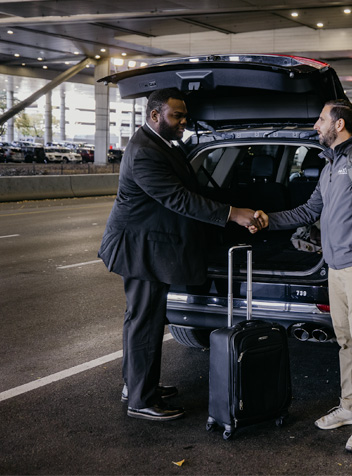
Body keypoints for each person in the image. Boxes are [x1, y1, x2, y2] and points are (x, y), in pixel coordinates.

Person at [98, 88, 259, 421]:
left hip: (147, 246)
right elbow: (178, 198)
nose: (184, 121)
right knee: (145, 322)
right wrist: (233, 214)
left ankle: (136, 385)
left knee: (140, 319)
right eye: (177, 116)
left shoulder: (160, 143)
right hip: (139, 248)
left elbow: (191, 189)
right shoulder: (145, 152)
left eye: (185, 115)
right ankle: (141, 400)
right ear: (155, 115)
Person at [254, 99, 352, 451]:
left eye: (321, 119)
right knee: (345, 341)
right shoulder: (331, 165)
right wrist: (268, 219)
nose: (316, 125)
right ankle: (351, 407)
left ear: (339, 124)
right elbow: (308, 210)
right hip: (336, 267)